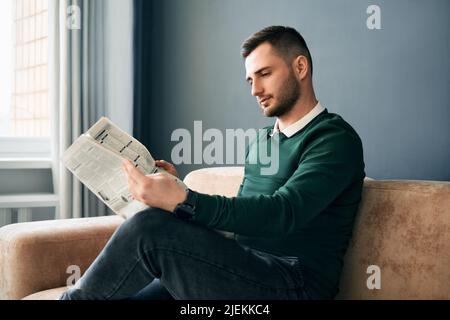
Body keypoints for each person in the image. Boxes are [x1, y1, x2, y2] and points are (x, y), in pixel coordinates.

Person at [60, 25, 365, 300]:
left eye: (265, 74)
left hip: (293, 284)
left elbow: (282, 212)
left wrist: (185, 200)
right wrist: (174, 193)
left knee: (149, 228)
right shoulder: (262, 140)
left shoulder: (334, 140)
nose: (255, 90)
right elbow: (243, 221)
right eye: (250, 79)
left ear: (300, 67)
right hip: (241, 268)